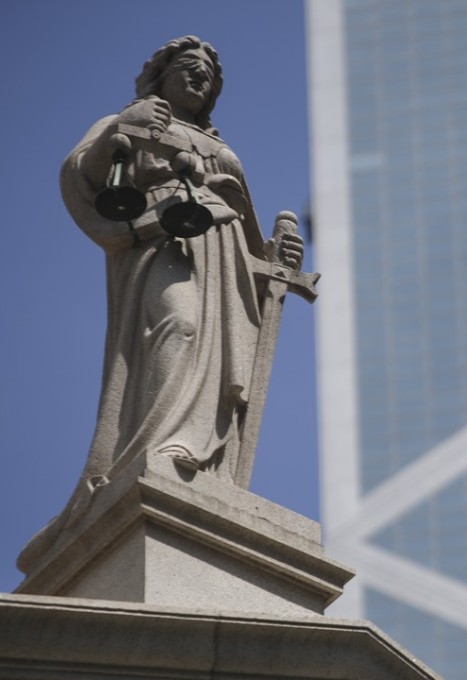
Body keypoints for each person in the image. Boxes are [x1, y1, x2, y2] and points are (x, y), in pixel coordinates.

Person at [19, 36, 302, 573]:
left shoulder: (222, 148)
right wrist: (128, 127)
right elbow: (82, 171)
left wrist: (275, 253)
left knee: (214, 360)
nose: (200, 80)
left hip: (221, 254)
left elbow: (250, 234)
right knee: (180, 323)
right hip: (161, 237)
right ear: (162, 75)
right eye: (190, 69)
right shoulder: (132, 119)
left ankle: (203, 458)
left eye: (209, 77)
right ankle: (164, 444)